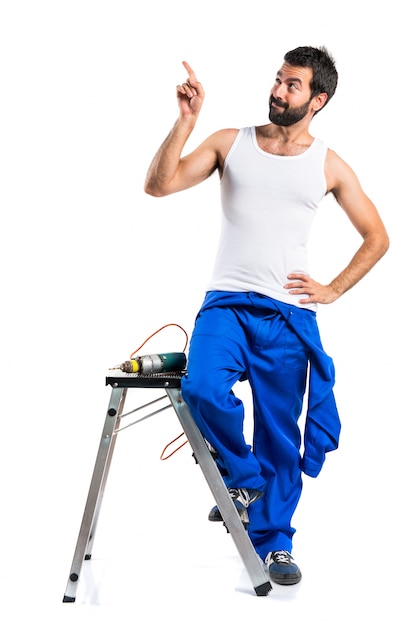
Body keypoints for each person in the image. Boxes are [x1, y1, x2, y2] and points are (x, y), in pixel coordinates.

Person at [144, 46, 389, 586]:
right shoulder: (231, 143)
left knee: (281, 434)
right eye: (278, 80)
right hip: (227, 304)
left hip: (288, 316)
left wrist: (332, 288)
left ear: (317, 99)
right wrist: (186, 123)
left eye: (293, 85)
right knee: (203, 387)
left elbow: (378, 237)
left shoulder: (328, 164)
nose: (278, 91)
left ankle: (275, 544)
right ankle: (245, 477)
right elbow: (158, 185)